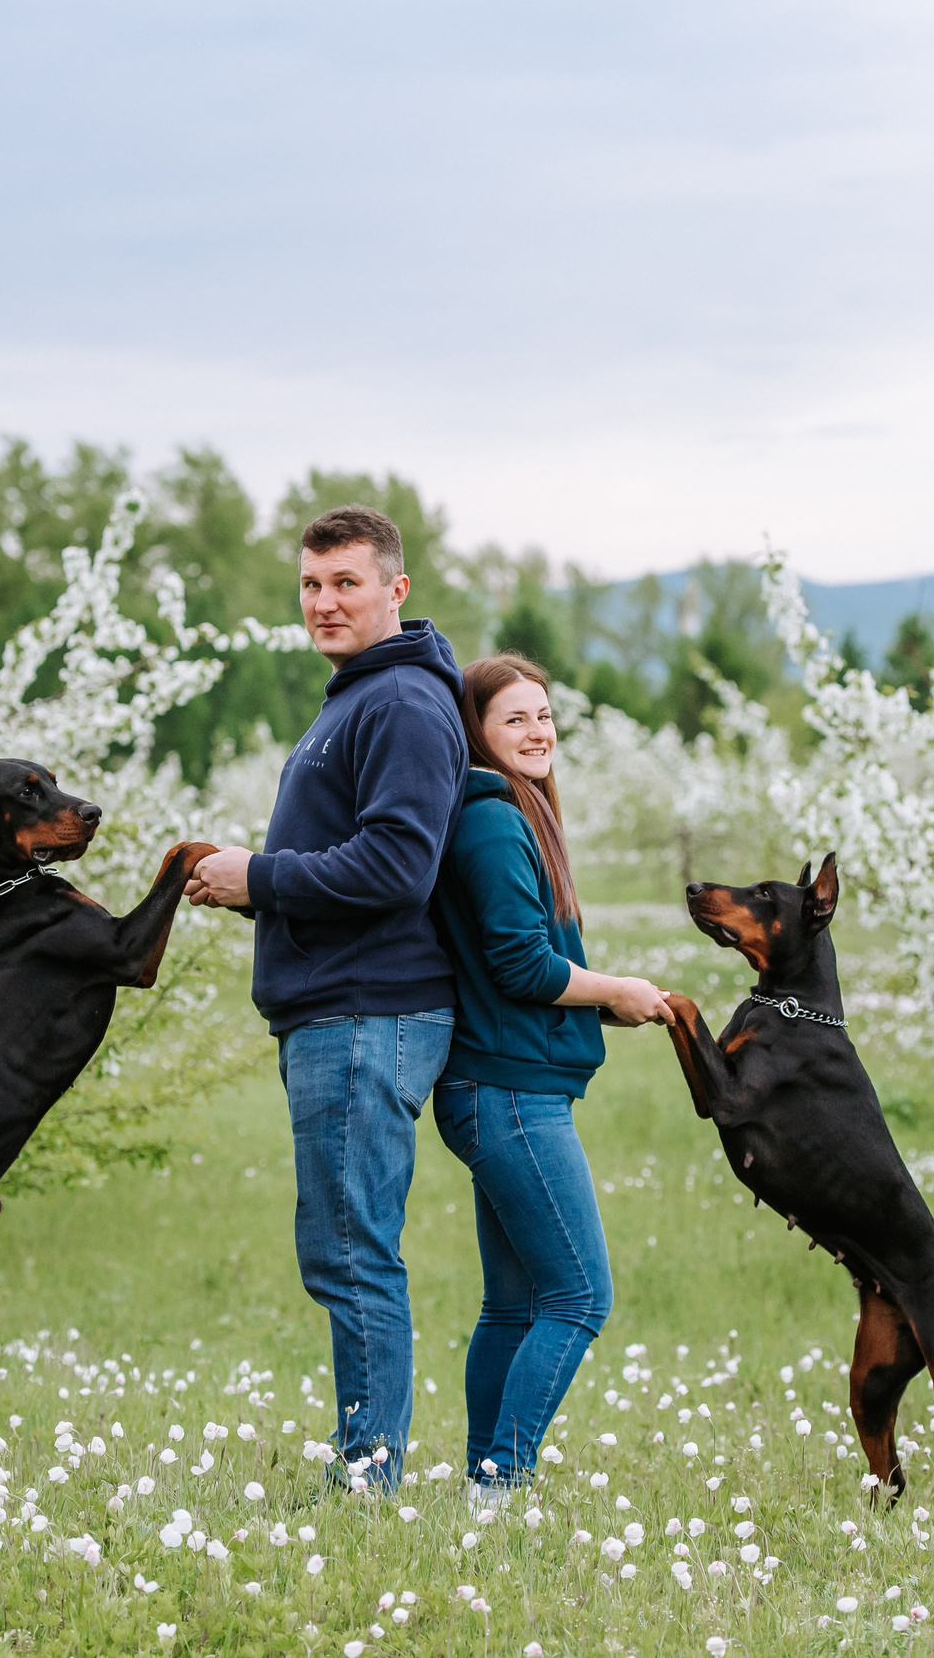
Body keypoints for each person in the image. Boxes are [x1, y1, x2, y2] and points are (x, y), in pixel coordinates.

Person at [184, 505, 466, 1495]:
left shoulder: (399, 704)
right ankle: (365, 1464)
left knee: (352, 1252)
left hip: (367, 1012)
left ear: (396, 588)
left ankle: (370, 1478)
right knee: (344, 1247)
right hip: (341, 1005)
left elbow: (396, 865)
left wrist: (257, 877)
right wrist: (250, 886)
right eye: (310, 584)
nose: (324, 602)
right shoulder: (361, 696)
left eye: (346, 581)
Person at [431, 653, 671, 1505]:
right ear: (477, 734)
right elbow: (521, 964)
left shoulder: (506, 812)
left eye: (544, 715)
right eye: (514, 720)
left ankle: (481, 1483)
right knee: (577, 1295)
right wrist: (616, 987)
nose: (538, 733)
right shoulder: (493, 819)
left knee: (514, 1303)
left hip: (500, 1084)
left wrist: (615, 1005)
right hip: (510, 1094)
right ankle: (502, 1480)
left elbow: (520, 969)